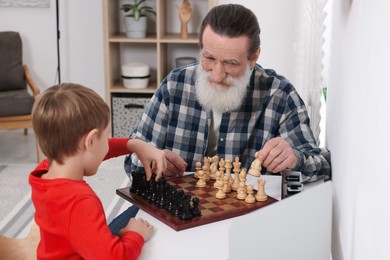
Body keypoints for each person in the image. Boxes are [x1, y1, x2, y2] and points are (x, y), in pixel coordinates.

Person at [125, 3, 331, 184]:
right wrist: (152, 161)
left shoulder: (280, 95)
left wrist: (296, 159)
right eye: (209, 58)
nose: (216, 75)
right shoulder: (174, 85)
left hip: (247, 218)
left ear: (254, 57)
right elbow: (132, 158)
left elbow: (322, 166)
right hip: (174, 210)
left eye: (230, 63)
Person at [29, 83, 167, 259]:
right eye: (106, 135)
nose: (107, 143)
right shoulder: (80, 202)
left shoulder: (43, 173)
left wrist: (133, 144)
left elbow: (91, 152)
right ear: (91, 141)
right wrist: (135, 235)